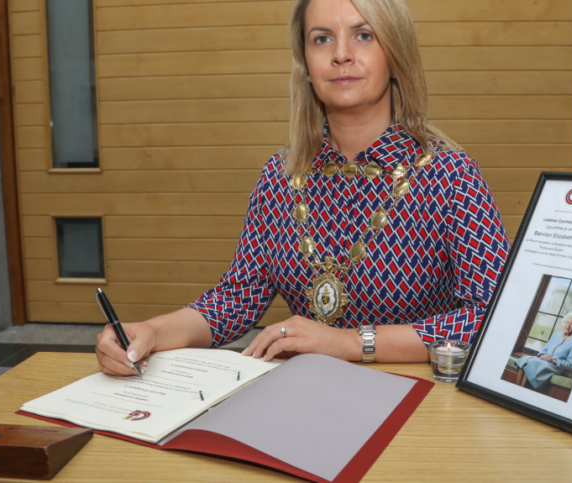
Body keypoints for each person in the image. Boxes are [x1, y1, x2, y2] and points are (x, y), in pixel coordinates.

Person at [96, 0, 510, 376]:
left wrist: (351, 343)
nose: (341, 54)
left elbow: (497, 319)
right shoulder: (280, 175)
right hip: (304, 392)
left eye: (363, 35)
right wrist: (148, 331)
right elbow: (238, 297)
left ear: (396, 55)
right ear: (306, 65)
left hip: (415, 396)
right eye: (321, 39)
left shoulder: (450, 175)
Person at [515, 313, 572, 390]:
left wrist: (553, 361)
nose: (568, 325)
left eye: (571, 324)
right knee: (525, 360)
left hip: (555, 366)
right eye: (567, 322)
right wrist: (542, 355)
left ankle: (520, 390)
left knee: (532, 363)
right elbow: (544, 349)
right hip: (543, 361)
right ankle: (517, 389)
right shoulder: (557, 334)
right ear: (564, 323)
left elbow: (571, 364)